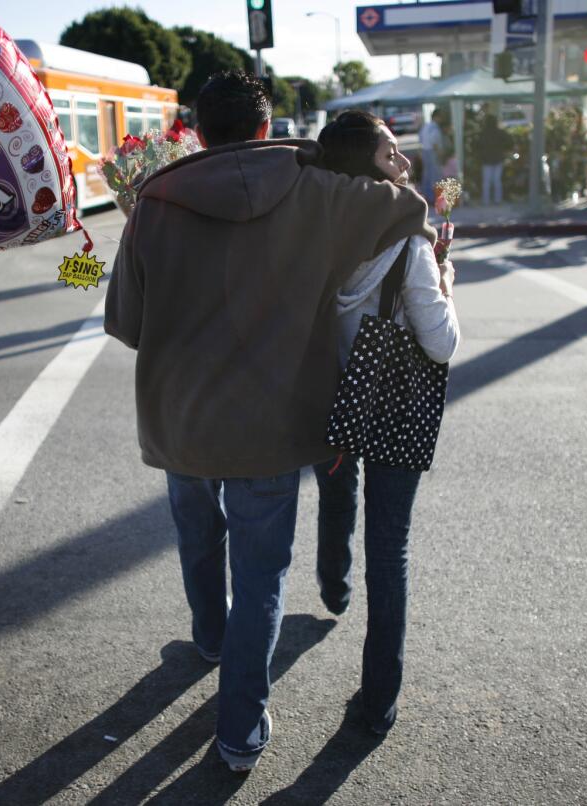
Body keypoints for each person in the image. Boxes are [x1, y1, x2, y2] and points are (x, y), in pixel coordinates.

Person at [104, 71, 436, 772]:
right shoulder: (313, 189)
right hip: (274, 421)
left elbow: (126, 324)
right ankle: (239, 730)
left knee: (198, 533)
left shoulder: (153, 205)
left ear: (196, 131)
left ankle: (209, 636)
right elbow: (405, 211)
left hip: (180, 419)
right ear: (263, 126)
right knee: (262, 574)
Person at [310, 110, 461, 735]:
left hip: (327, 393)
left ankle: (332, 581)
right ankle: (377, 704)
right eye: (392, 153)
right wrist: (447, 283)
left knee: (334, 490)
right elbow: (442, 343)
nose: (404, 162)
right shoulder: (410, 240)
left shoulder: (311, 229)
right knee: (390, 548)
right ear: (368, 167)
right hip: (396, 401)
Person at [477, 113, 513, 206]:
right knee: (497, 181)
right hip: (498, 158)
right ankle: (497, 200)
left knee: (486, 181)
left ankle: (486, 200)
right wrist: (505, 149)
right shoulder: (500, 132)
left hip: (486, 159)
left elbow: (477, 145)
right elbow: (510, 141)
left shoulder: (483, 133)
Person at [418, 110, 445, 204]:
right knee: (435, 176)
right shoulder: (434, 127)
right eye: (440, 117)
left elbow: (420, 139)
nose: (441, 120)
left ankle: (427, 197)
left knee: (426, 175)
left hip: (425, 151)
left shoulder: (425, 126)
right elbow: (434, 142)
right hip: (432, 152)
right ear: (436, 117)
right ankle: (434, 198)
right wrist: (440, 153)